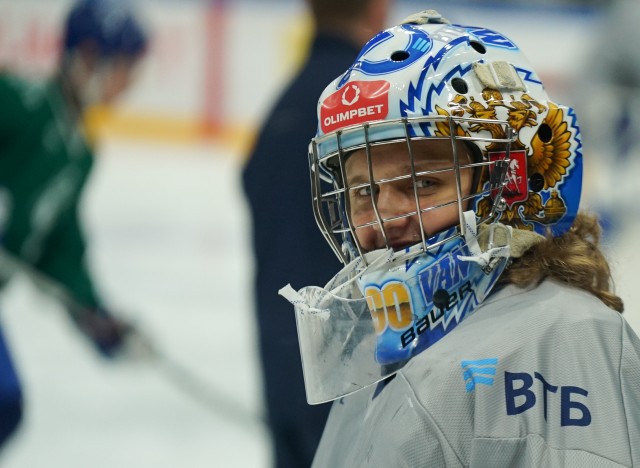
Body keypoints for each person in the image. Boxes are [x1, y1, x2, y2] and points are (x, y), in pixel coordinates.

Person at [280, 9, 640, 467]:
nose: (385, 218)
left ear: (509, 181)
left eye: (423, 184)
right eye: (364, 191)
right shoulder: (389, 337)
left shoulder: (564, 338)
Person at [241, 1, 393, 466]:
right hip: (358, 369)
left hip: (285, 360)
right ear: (378, 9)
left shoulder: (283, 107)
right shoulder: (375, 110)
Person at [0, 0, 147, 448]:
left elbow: (58, 251)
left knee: (6, 406)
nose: (129, 83)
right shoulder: (19, 104)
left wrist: (94, 315)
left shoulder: (77, 153)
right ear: (87, 55)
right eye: (123, 66)